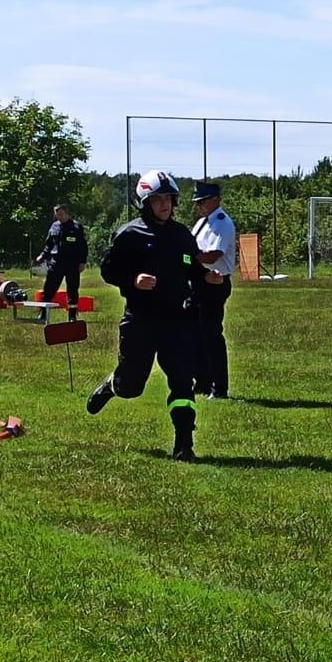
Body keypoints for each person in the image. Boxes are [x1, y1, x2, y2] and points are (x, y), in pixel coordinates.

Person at [86, 170, 223, 462]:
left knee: (183, 382)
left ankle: (184, 443)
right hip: (140, 320)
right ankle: (113, 385)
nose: (165, 205)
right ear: (145, 203)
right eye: (158, 199)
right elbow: (109, 271)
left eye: (169, 199)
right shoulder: (129, 234)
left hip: (177, 320)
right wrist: (133, 280)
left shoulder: (182, 235)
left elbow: (191, 267)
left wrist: (207, 277)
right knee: (132, 386)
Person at [189, 181, 236, 400]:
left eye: (203, 201)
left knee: (211, 335)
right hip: (199, 281)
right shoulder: (201, 223)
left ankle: (220, 387)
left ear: (215, 200)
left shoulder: (222, 222)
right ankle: (203, 381)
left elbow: (212, 256)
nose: (199, 206)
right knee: (195, 335)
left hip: (215, 283)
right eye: (198, 202)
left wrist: (187, 257)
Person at [33, 203, 87, 323]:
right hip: (56, 263)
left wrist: (83, 262)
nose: (59, 217)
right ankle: (43, 314)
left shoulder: (76, 227)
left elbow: (83, 247)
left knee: (72, 290)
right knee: (49, 289)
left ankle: (72, 316)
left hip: (72, 263)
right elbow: (49, 245)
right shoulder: (54, 227)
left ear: (67, 213)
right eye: (57, 214)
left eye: (61, 214)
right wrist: (42, 256)